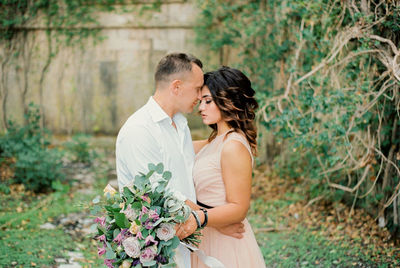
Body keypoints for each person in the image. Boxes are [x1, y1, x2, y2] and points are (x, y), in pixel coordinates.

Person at [116, 53, 244, 268]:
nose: (200, 95)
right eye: (197, 89)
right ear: (176, 87)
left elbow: (187, 167)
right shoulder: (139, 130)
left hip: (186, 240)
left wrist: (235, 137)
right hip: (155, 249)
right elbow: (162, 195)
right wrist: (213, 222)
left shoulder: (180, 125)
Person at [190, 66, 266, 268]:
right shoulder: (215, 141)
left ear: (228, 101)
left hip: (225, 245)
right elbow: (177, 148)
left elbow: (238, 208)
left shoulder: (233, 146)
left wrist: (197, 218)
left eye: (208, 101)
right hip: (207, 235)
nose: (201, 108)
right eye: (200, 102)